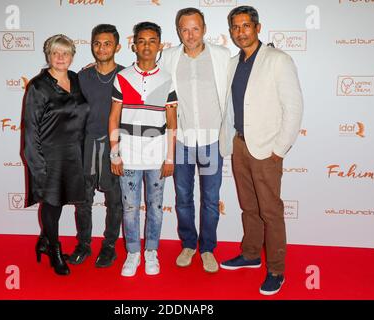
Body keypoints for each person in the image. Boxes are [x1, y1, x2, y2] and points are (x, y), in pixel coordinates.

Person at [219, 6, 303, 295]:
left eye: (246, 26)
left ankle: (277, 270)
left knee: (270, 211)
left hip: (267, 149)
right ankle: (251, 254)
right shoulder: (232, 63)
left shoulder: (278, 60)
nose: (240, 32)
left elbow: (293, 108)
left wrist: (279, 149)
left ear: (257, 27)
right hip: (240, 144)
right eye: (235, 27)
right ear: (231, 31)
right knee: (248, 207)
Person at [159, 7, 230, 273]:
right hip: (181, 142)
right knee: (183, 197)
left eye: (195, 28)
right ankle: (189, 244)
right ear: (178, 31)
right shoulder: (167, 57)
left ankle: (208, 248)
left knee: (211, 199)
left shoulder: (222, 56)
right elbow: (148, 79)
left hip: (212, 140)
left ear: (205, 29)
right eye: (184, 29)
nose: (190, 35)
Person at [109, 21, 177, 277]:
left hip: (157, 155)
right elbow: (114, 118)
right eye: (142, 41)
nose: (147, 46)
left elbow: (172, 121)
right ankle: (133, 253)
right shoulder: (123, 77)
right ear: (134, 45)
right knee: (129, 207)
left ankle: (151, 252)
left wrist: (170, 157)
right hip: (128, 156)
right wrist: (115, 153)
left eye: (152, 41)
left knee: (156, 206)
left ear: (159, 45)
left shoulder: (167, 78)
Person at [22, 34, 90, 275]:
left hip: (75, 155)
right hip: (49, 157)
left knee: (60, 202)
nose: (61, 57)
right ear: (48, 55)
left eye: (66, 53)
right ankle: (55, 249)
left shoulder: (78, 79)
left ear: (72, 56)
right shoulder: (38, 86)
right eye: (55, 53)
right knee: (52, 205)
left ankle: (43, 240)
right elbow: (30, 132)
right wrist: (38, 168)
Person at [67, 24, 125, 268]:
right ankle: (84, 244)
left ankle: (110, 246)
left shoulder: (126, 75)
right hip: (85, 145)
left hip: (115, 146)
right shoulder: (82, 76)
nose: (101, 48)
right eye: (97, 43)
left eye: (107, 43)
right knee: (83, 200)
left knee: (114, 200)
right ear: (92, 46)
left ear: (117, 47)